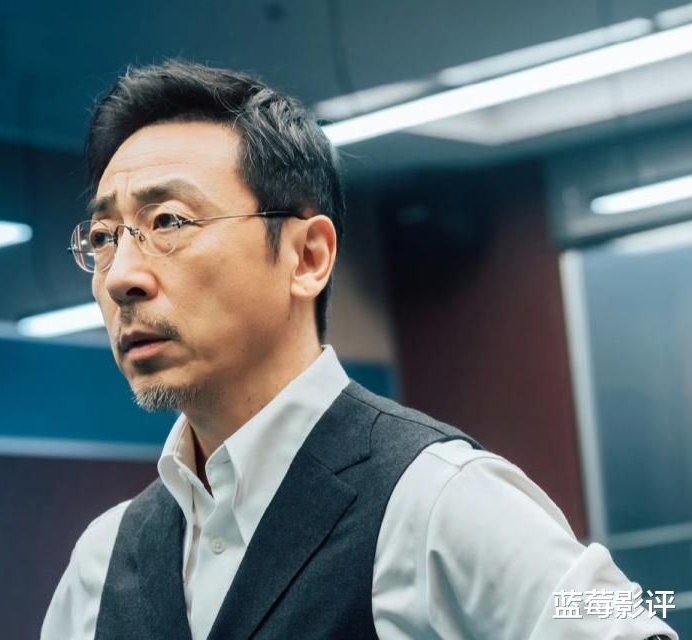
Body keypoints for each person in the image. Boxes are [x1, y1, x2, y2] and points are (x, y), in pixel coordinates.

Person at [40, 61, 678, 640]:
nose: (122, 275)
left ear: (307, 257)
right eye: (103, 236)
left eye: (169, 222)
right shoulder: (102, 564)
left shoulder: (440, 501)